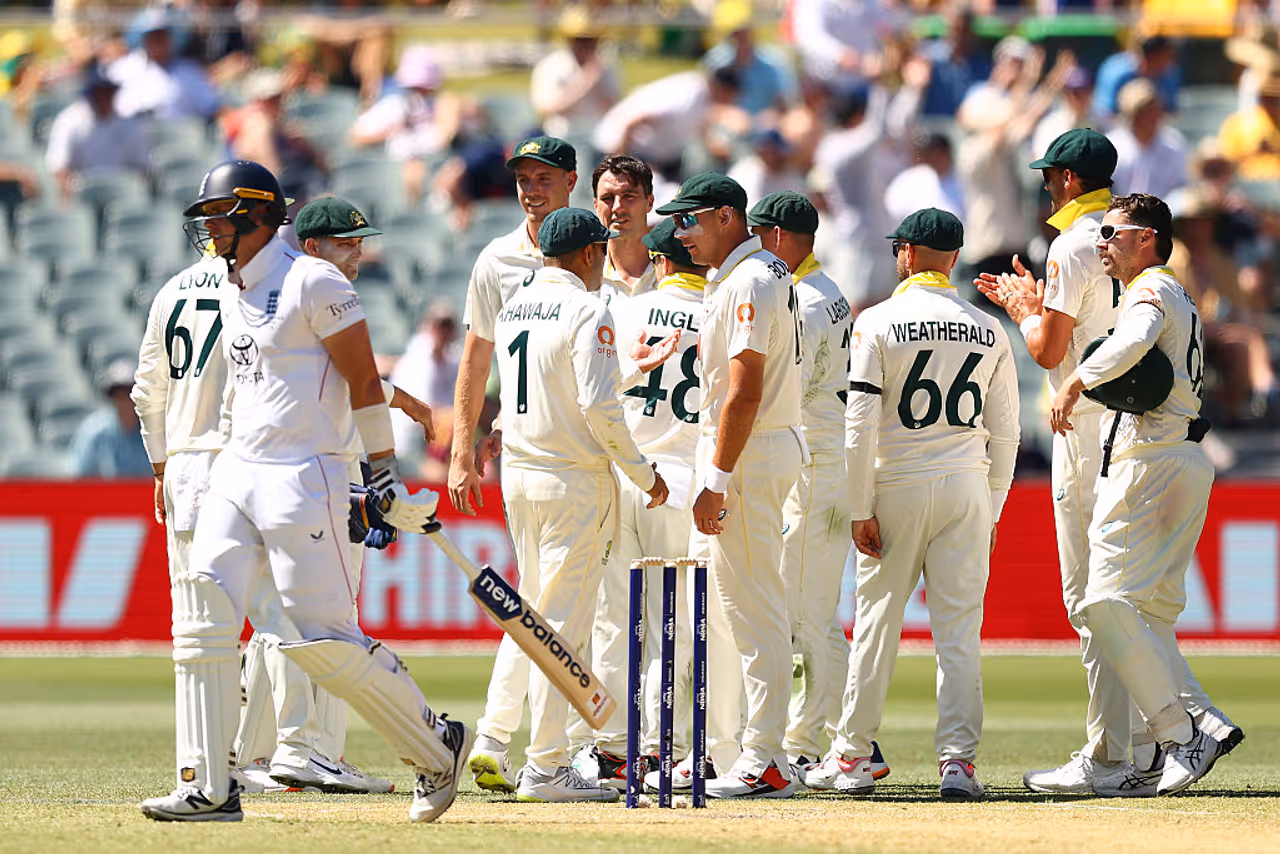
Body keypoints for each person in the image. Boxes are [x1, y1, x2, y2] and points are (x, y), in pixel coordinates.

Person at [139, 160, 469, 824]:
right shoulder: (233, 287)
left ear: (257, 216)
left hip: (302, 477)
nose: (208, 230)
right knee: (202, 614)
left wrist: (380, 470)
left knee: (320, 637)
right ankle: (209, 786)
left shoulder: (314, 281)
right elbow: (242, 385)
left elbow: (364, 384)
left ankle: (436, 745)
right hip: (237, 471)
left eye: (218, 218)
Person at [805, 208, 1019, 800]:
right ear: (952, 259)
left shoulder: (877, 321)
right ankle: (959, 764)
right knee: (959, 632)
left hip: (896, 482)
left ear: (905, 254)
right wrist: (994, 508)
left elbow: (859, 424)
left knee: (877, 625)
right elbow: (1006, 434)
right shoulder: (989, 326)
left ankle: (850, 757)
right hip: (967, 486)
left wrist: (858, 506)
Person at [232, 196, 436, 795]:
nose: (359, 251)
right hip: (321, 477)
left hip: (271, 474)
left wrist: (405, 402)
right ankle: (310, 750)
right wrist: (375, 474)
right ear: (314, 244)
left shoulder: (274, 290)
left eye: (361, 240)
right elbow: (355, 381)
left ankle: (251, 755)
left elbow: (340, 375)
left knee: (276, 617)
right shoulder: (316, 286)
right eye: (347, 242)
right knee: (329, 620)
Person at [1049, 193, 1242, 796]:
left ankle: (1178, 734)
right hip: (1184, 456)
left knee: (1102, 603)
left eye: (1113, 232)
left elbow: (1132, 342)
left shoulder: (1152, 289)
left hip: (1151, 460)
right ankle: (1200, 721)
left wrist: (1077, 378)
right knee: (1149, 614)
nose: (1103, 242)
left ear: (1148, 238)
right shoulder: (1177, 290)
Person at [974, 129, 1135, 794]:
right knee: (1125, 594)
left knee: (1091, 599)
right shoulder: (1134, 234)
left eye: (1049, 176)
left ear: (1069, 178)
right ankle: (1149, 744)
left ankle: (1109, 755)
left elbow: (1046, 352)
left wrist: (1022, 311)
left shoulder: (1072, 243)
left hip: (1085, 427)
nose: (1044, 185)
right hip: (1134, 425)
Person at [490, 207, 669, 802]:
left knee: (535, 617)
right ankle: (545, 766)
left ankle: (499, 741)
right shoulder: (590, 308)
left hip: (520, 476)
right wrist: (643, 475)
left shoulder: (516, 303)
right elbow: (597, 410)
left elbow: (556, 387)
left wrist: (627, 368)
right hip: (571, 482)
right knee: (560, 626)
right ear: (591, 254)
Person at [656, 172, 804, 798]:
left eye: (689, 220)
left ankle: (766, 755)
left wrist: (716, 479)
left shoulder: (748, 279)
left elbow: (744, 392)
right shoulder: (756, 272)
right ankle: (738, 747)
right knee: (729, 608)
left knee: (752, 607)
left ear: (726, 217)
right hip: (755, 448)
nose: (679, 233)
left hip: (748, 453)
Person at [448, 135, 577, 793]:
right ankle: (512, 741)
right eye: (524, 178)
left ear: (570, 182)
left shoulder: (594, 250)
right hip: (551, 461)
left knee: (560, 603)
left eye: (544, 178)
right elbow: (477, 358)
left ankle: (570, 746)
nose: (531, 188)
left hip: (567, 452)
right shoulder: (497, 258)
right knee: (553, 605)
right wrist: (462, 446)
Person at [745, 192, 854, 773]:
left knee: (806, 615)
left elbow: (785, 388)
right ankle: (836, 734)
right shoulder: (826, 292)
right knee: (807, 611)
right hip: (822, 459)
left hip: (812, 463)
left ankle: (811, 741)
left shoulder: (805, 303)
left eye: (760, 234)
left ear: (782, 237)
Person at [45, 63, 151, 201]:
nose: (104, 96)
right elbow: (59, 169)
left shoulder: (130, 124)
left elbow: (143, 170)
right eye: (99, 91)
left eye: (108, 91)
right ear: (91, 92)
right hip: (82, 196)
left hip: (121, 198)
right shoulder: (69, 121)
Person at [108, 7, 220, 120]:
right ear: (144, 39)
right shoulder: (122, 69)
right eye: (153, 37)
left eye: (161, 37)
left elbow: (211, 108)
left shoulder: (190, 72)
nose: (157, 43)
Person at [529, 5, 619, 144]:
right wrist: (586, 82)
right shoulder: (551, 66)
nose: (587, 45)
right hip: (562, 135)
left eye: (592, 40)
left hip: (598, 134)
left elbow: (612, 110)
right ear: (569, 40)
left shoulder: (606, 67)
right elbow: (548, 109)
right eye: (580, 39)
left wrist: (598, 81)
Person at [70, 358, 154, 479]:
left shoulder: (155, 432)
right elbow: (80, 480)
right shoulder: (93, 432)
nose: (125, 399)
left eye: (130, 392)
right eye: (118, 394)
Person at [1107, 79, 1189, 201]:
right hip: (1123, 214)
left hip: (1167, 215)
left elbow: (1182, 188)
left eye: (1155, 109)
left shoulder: (1173, 143)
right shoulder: (1113, 147)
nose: (1153, 116)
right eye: (1144, 111)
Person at [593, 154, 656, 308]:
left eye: (628, 196)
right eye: (607, 198)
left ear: (649, 202)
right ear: (596, 205)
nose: (617, 207)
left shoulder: (676, 270)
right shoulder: (583, 278)